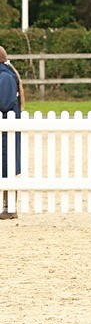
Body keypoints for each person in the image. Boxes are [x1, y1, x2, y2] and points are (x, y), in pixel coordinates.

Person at [0, 46, 22, 220]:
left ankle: (10, 206)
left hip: (6, 131)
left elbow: (5, 103)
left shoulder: (5, 77)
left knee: (6, 166)